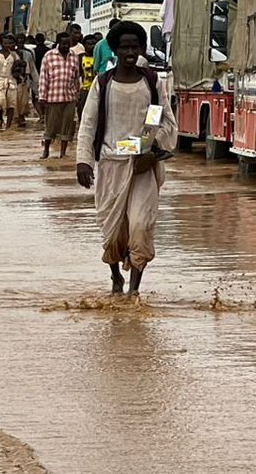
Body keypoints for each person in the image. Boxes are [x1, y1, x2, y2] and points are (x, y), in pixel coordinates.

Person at [76, 21, 178, 296]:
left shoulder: (153, 83)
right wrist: (83, 161)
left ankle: (134, 290)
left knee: (140, 226)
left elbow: (161, 121)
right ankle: (115, 279)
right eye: (124, 47)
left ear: (142, 49)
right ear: (115, 51)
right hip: (110, 164)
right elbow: (88, 124)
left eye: (135, 47)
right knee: (113, 232)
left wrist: (150, 148)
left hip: (143, 168)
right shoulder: (103, 83)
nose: (130, 52)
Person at [39, 31, 82, 159]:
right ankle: (46, 151)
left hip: (69, 97)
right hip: (53, 97)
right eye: (63, 43)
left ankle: (63, 153)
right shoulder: (49, 56)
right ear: (58, 43)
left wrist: (77, 95)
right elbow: (43, 78)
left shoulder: (74, 56)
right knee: (51, 127)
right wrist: (42, 97)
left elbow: (76, 77)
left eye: (68, 43)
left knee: (67, 127)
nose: (66, 46)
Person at [0, 34, 20, 130]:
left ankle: (8, 125)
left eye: (9, 43)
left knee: (11, 103)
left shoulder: (14, 55)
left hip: (11, 80)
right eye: (5, 43)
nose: (7, 45)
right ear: (1, 43)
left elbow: (20, 67)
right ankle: (1, 118)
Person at [15, 34, 40, 125]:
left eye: (22, 39)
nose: (20, 41)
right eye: (18, 39)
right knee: (14, 101)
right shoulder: (12, 53)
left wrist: (36, 82)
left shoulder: (29, 53)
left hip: (25, 80)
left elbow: (32, 67)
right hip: (13, 81)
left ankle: (21, 117)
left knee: (24, 101)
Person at [77, 34, 98, 123]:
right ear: (84, 45)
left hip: (97, 88)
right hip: (85, 88)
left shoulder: (98, 57)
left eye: (94, 44)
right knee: (82, 110)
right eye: (89, 44)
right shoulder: (80, 57)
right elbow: (77, 74)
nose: (92, 46)